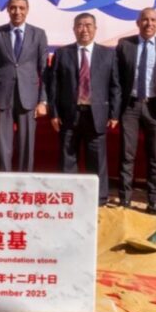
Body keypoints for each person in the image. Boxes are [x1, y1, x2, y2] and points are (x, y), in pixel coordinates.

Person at [45, 13, 120, 206]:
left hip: (97, 114)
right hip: (70, 114)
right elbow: (53, 86)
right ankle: (67, 197)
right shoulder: (63, 53)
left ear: (95, 29)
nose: (84, 29)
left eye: (88, 25)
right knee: (67, 159)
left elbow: (115, 86)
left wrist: (114, 114)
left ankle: (99, 199)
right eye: (79, 25)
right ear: (74, 29)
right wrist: (54, 113)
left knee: (97, 159)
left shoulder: (108, 54)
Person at [115, 8, 156, 215]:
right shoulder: (125, 45)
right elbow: (116, 80)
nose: (148, 23)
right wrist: (115, 110)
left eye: (152, 20)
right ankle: (125, 200)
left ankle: (154, 202)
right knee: (127, 155)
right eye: (144, 20)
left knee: (155, 157)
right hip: (130, 107)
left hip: (155, 108)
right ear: (138, 23)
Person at [0, 0, 48, 172]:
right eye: (13, 8)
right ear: (8, 10)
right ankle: (4, 182)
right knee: (3, 146)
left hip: (29, 98)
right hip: (2, 97)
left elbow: (44, 70)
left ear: (27, 10)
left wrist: (43, 101)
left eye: (21, 8)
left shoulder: (38, 34)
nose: (17, 11)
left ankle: (24, 182)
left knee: (27, 146)